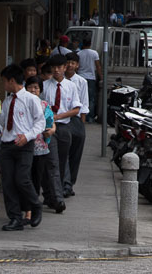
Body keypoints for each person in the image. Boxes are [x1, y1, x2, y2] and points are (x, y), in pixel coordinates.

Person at [0, 63, 45, 231]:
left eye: (4, 81)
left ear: (12, 81)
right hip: (7, 145)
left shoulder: (31, 99)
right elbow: (3, 122)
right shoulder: (7, 101)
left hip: (24, 145)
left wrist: (28, 136)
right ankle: (15, 218)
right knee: (8, 182)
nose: (4, 85)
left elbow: (40, 122)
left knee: (22, 178)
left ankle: (35, 205)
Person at [23, 76, 64, 215]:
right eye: (30, 87)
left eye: (36, 87)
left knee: (40, 174)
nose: (33, 90)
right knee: (26, 176)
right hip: (25, 145)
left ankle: (38, 205)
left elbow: (51, 121)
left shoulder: (44, 105)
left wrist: (51, 130)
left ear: (40, 90)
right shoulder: (21, 104)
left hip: (41, 146)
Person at [41, 54, 80, 192]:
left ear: (65, 67)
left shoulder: (71, 86)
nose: (56, 70)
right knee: (51, 160)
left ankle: (60, 188)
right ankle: (50, 190)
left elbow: (76, 109)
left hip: (64, 126)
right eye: (54, 67)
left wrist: (58, 117)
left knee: (62, 159)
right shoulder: (44, 85)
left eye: (59, 67)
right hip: (48, 127)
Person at [64, 53, 89, 196]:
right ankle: (65, 184)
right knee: (64, 152)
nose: (70, 65)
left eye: (73, 63)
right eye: (68, 62)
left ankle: (70, 182)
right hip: (62, 119)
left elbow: (84, 104)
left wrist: (81, 125)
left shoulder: (81, 82)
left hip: (76, 119)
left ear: (77, 65)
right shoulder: (58, 81)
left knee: (75, 153)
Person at [77, 35, 101, 123]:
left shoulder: (79, 54)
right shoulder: (94, 53)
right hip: (91, 78)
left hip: (80, 77)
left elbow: (77, 66)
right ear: (90, 44)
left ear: (82, 44)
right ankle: (90, 117)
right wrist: (101, 77)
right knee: (91, 99)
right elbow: (98, 66)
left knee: (80, 98)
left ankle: (81, 116)